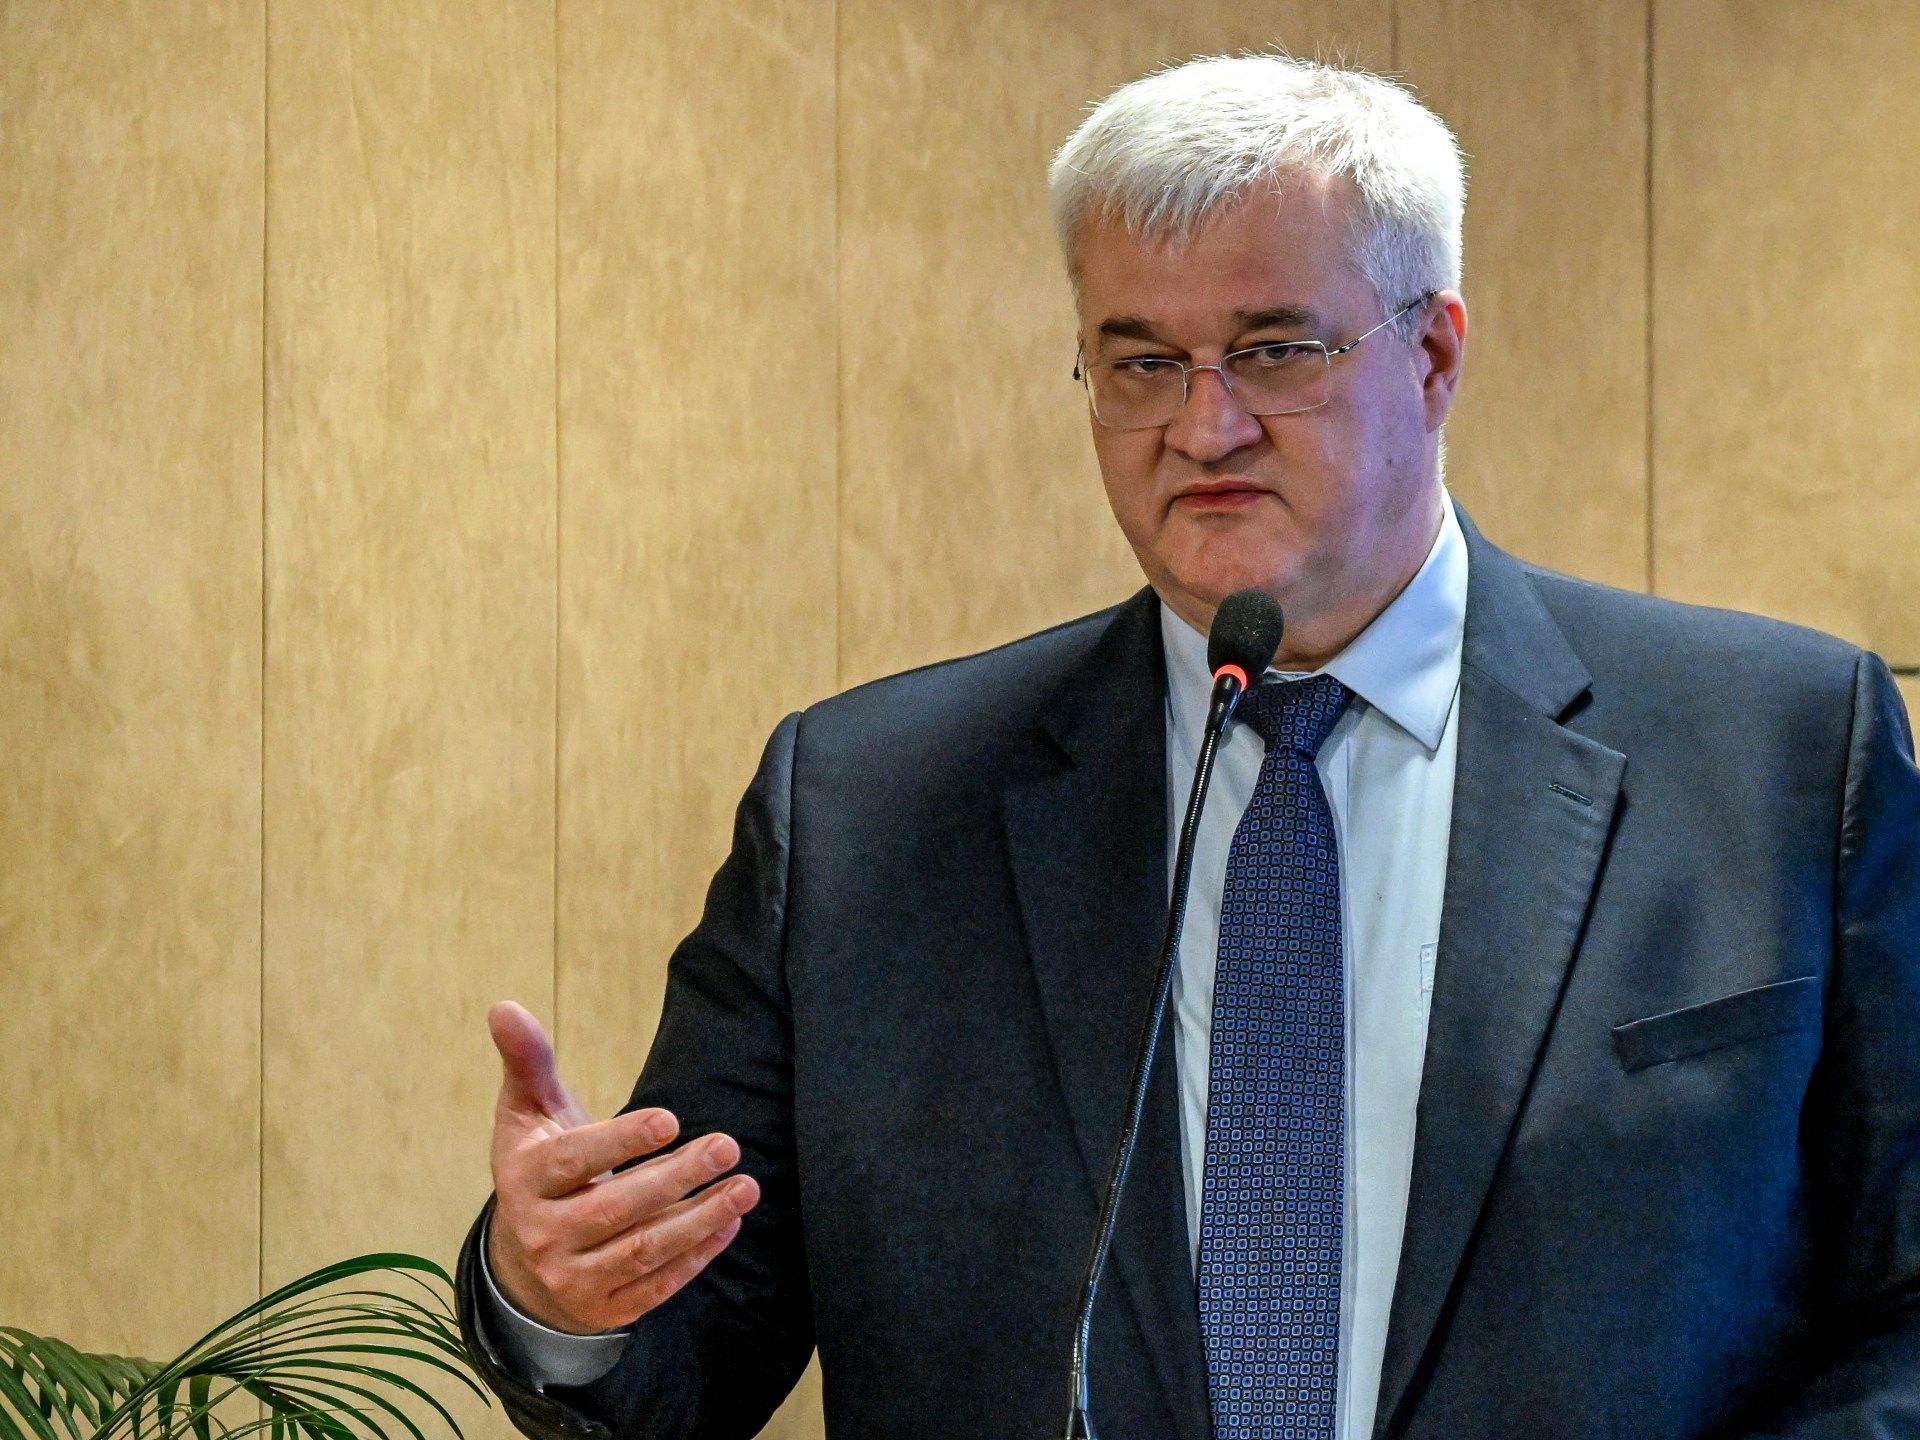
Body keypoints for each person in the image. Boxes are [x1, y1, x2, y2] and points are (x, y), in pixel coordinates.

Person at [453, 52, 1920, 1440]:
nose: (1204, 426)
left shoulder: (1782, 756)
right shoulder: (865, 812)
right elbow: (688, 1336)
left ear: (1432, 355)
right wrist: (556, 1297)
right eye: (1142, 362)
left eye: (1274, 351)